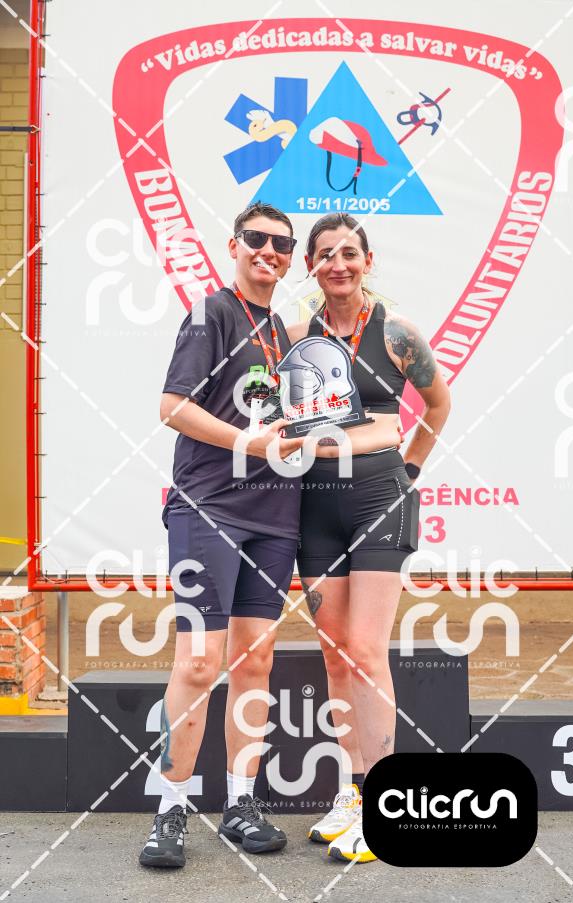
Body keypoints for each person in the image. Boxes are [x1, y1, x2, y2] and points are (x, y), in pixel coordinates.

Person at [140, 202, 304, 869]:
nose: (269, 250)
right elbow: (172, 406)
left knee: (255, 662)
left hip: (276, 517)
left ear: (290, 258)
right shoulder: (211, 313)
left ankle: (241, 805)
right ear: (234, 245)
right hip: (208, 508)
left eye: (281, 244)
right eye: (257, 239)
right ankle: (169, 809)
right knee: (198, 664)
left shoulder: (283, 332)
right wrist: (249, 443)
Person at [287, 212, 451, 863]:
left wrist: (409, 469)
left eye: (349, 253)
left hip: (380, 500)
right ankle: (351, 795)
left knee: (364, 648)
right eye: (326, 254)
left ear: (367, 260)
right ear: (311, 265)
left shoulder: (397, 332)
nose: (338, 264)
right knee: (335, 657)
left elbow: (438, 405)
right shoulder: (297, 337)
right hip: (315, 506)